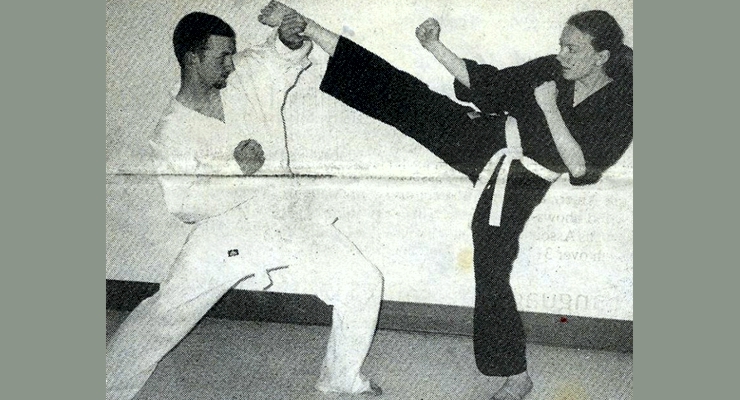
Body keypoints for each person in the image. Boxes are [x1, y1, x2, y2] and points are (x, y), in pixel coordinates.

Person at [260, 3, 632, 399]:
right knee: (407, 97)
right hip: (484, 137)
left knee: (491, 262)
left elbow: (579, 168)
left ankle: (516, 376)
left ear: (602, 56)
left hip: (523, 177)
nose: (562, 55)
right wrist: (434, 46)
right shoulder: (552, 69)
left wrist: (547, 107)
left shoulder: (622, 103)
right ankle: (312, 29)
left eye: (573, 49)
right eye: (561, 44)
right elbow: (490, 86)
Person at [105, 11, 385, 400]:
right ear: (192, 59)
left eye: (232, 54)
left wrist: (287, 38)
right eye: (221, 57)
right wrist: (237, 172)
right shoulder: (172, 130)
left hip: (286, 215)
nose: (231, 63)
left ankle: (339, 380)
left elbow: (275, 58)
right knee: (165, 313)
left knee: (363, 281)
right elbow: (184, 204)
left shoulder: (245, 80)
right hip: (225, 233)